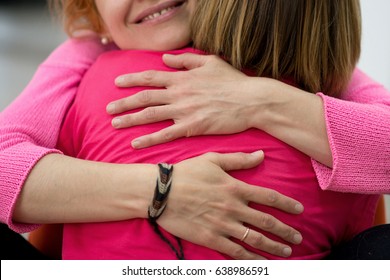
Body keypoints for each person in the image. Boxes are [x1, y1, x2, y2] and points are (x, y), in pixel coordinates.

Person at [0, 0, 387, 259]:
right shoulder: (87, 54)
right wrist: (162, 191)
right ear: (95, 13)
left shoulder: (293, 55)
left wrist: (259, 99)